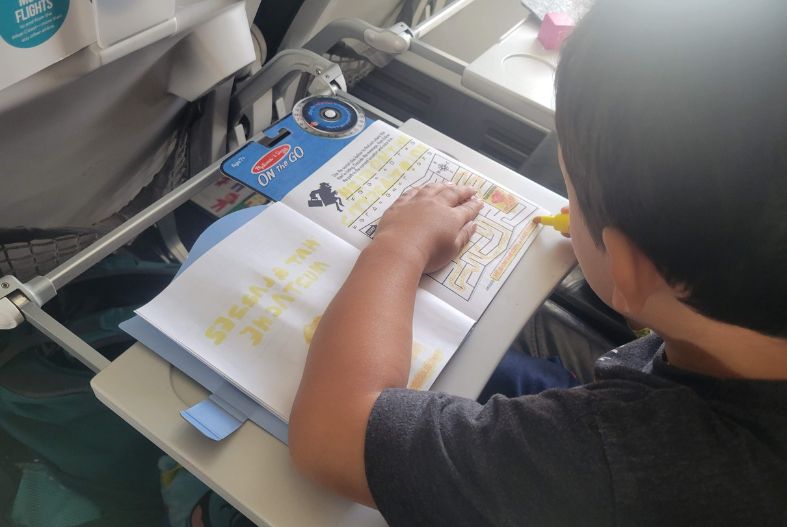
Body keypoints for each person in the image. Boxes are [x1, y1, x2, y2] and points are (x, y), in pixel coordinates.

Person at [288, 0, 787, 524]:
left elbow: (331, 433)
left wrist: (398, 244)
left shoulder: (622, 464)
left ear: (630, 269)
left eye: (570, 190)